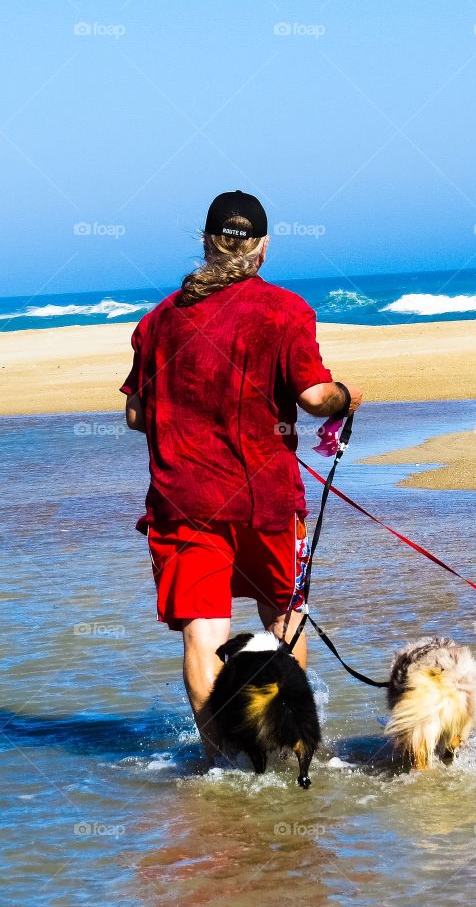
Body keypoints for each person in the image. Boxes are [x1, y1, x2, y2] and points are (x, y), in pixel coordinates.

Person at [120, 190, 362, 762]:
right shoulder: (284, 310)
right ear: (263, 248)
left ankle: (221, 759)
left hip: (184, 499)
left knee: (204, 631)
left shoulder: (159, 320)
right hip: (266, 498)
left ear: (206, 242)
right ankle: (292, 744)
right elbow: (313, 396)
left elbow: (135, 415)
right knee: (284, 615)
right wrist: (349, 397)